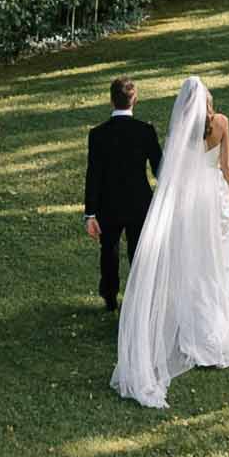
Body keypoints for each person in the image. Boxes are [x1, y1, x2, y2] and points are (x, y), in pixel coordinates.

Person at [111, 75, 229, 409]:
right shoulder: (221, 122)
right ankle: (216, 332)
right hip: (213, 199)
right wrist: (227, 196)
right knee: (215, 263)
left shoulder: (181, 131)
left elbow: (173, 173)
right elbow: (226, 167)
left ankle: (191, 331)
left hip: (190, 201)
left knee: (192, 262)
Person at [83, 76, 162, 312]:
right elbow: (160, 169)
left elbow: (93, 175)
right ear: (134, 99)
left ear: (111, 101)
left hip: (109, 203)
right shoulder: (145, 131)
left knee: (109, 250)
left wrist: (90, 214)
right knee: (138, 251)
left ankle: (109, 296)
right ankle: (140, 296)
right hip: (139, 202)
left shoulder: (97, 134)